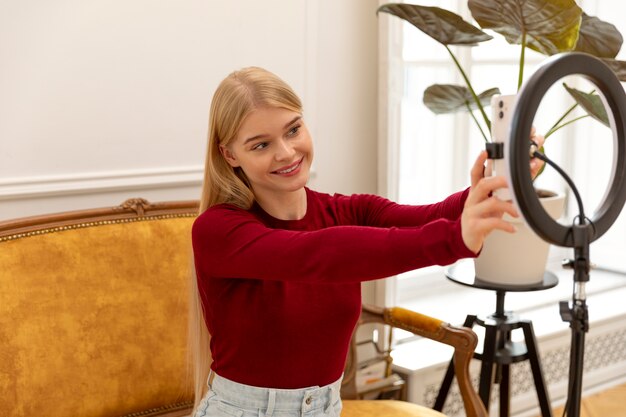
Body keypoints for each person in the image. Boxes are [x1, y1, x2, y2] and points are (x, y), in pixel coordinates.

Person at [189, 66, 544, 417]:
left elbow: (430, 216)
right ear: (230, 155)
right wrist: (455, 238)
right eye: (261, 144)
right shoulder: (218, 230)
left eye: (293, 129)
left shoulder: (349, 210)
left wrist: (500, 180)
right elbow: (318, 255)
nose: (285, 152)